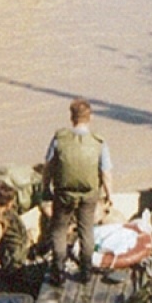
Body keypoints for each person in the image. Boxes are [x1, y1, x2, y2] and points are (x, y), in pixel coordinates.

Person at [44, 99, 111, 285]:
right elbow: (105, 172)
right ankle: (86, 273)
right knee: (86, 231)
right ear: (90, 118)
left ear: (71, 117)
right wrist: (109, 194)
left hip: (64, 194)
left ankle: (58, 273)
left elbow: (48, 167)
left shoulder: (59, 139)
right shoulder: (98, 142)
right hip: (89, 194)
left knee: (59, 231)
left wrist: (45, 189)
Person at [0, 164, 44, 269]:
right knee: (19, 235)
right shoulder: (38, 181)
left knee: (5, 231)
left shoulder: (24, 171)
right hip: (0, 200)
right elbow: (46, 208)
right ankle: (15, 268)